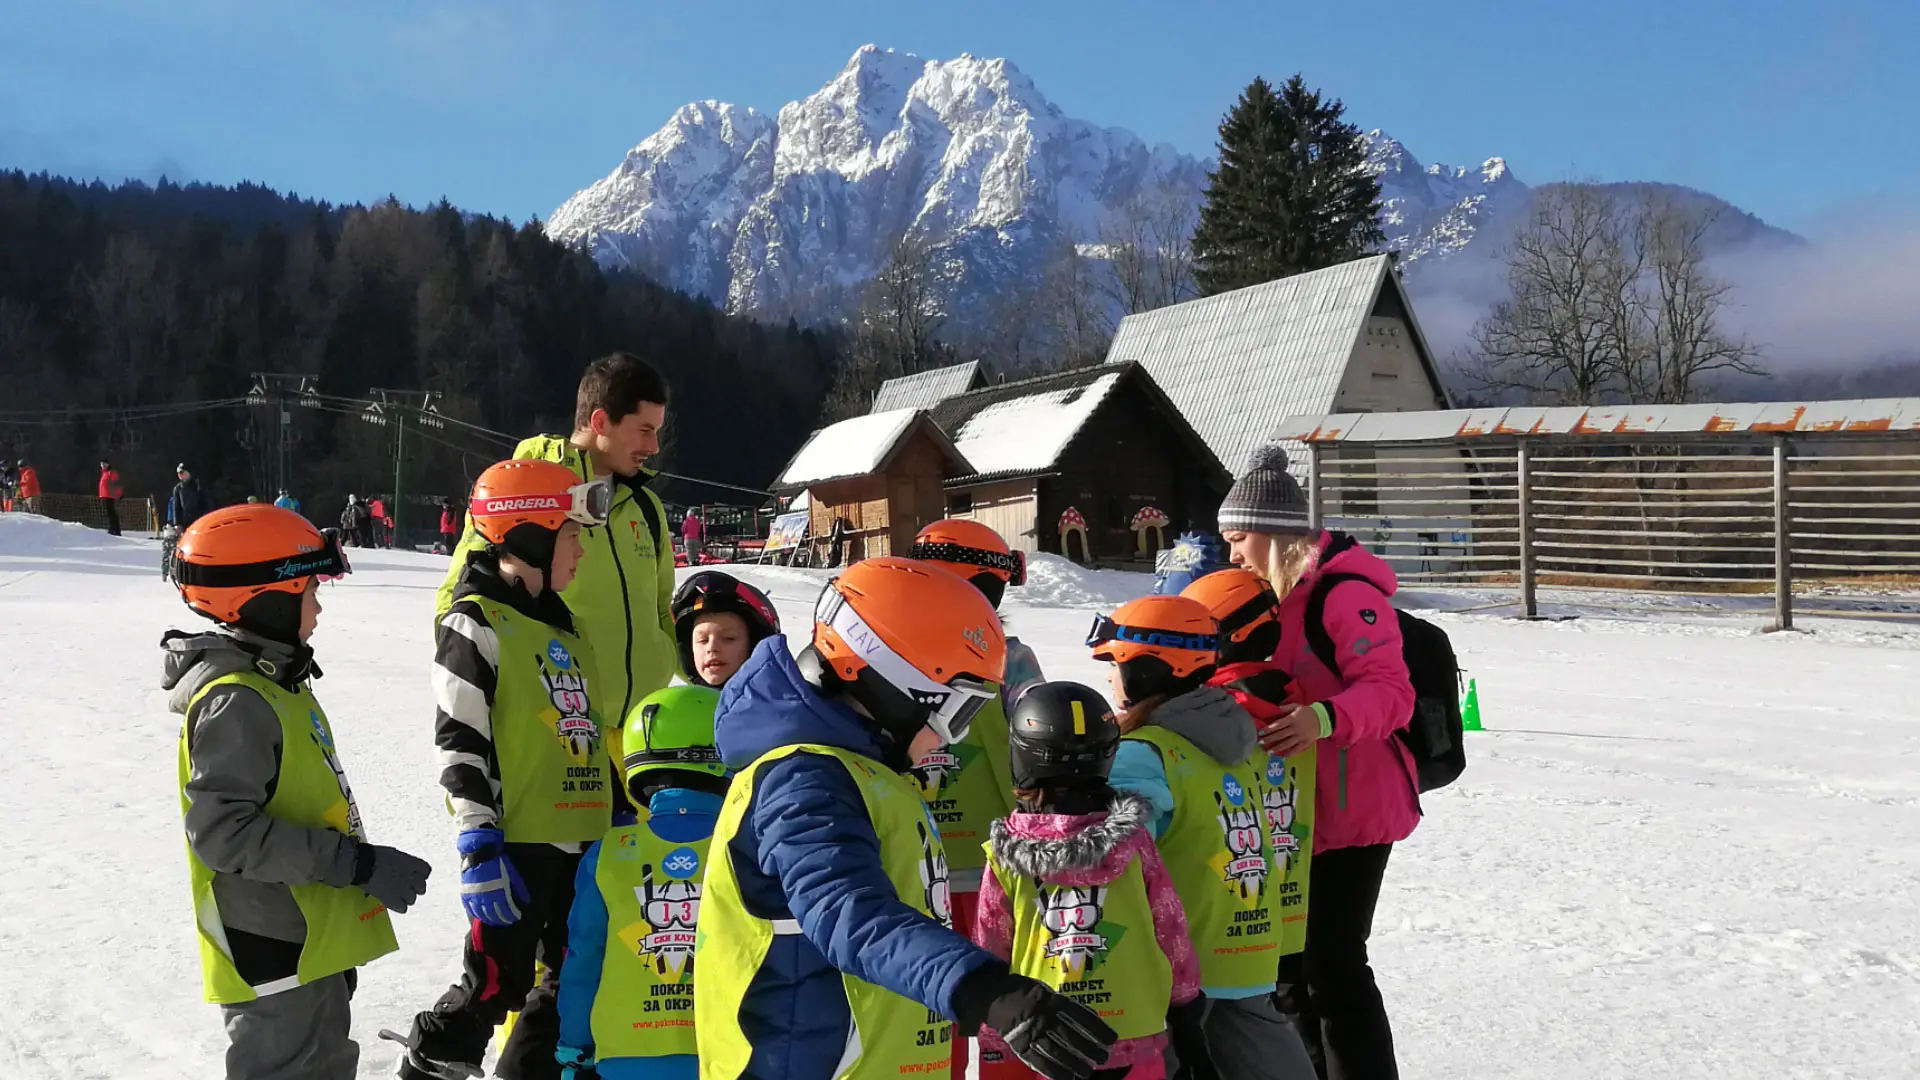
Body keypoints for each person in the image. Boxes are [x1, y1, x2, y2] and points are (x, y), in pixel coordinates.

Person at [698, 556, 1117, 1080]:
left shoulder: (864, 771)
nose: (951, 736)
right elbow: (846, 912)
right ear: (894, 686)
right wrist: (984, 988)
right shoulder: (803, 778)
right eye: (955, 709)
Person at [165, 503, 432, 1080]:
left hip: (306, 938)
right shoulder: (237, 700)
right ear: (265, 597)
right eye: (308, 590)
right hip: (272, 941)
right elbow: (223, 834)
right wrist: (356, 865)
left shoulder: (279, 685)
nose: (318, 605)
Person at [393, 460, 618, 1080]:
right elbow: (460, 736)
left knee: (573, 980)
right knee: (496, 984)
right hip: (517, 841)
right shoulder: (477, 619)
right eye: (571, 536)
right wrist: (477, 838)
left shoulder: (565, 626)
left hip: (582, 837)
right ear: (528, 536)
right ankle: (430, 1064)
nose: (581, 552)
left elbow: (584, 734)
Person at [1217, 445, 1418, 1080]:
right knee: (1287, 971)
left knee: (1332, 967)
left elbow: (1393, 693)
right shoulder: (1270, 595)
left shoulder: (1345, 594)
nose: (1231, 554)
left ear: (1275, 534)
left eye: (1239, 538)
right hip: (1292, 814)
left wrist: (1322, 718)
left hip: (1356, 812)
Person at [1093, 595, 1314, 1080]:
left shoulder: (1142, 754)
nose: (1108, 678)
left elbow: (1112, 871)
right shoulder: (1232, 735)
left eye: (1114, 663)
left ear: (1148, 670)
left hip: (1176, 971)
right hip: (1244, 955)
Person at [973, 682, 1210, 1080]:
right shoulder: (1134, 843)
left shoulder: (1004, 855)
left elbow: (992, 944)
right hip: (1132, 1030)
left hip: (1045, 1036)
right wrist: (1184, 1004)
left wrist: (993, 1035)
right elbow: (1169, 927)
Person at [438, 352, 678, 746]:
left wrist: (721, 664)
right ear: (601, 422)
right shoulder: (524, 492)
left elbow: (662, 612)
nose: (653, 447)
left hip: (643, 736)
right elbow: (462, 594)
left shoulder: (645, 507)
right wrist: (472, 695)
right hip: (560, 731)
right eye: (644, 430)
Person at [901, 519, 1045, 1078]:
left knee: (983, 1004)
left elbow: (1041, 724)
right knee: (941, 1007)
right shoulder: (896, 651)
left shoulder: (1013, 660)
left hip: (983, 868)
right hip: (929, 865)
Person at [555, 685, 729, 1080]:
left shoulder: (608, 853)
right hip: (726, 1055)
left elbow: (585, 958)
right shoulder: (748, 846)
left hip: (623, 1056)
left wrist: (574, 1049)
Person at [1182, 568, 1316, 959]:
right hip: (1288, 899)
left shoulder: (1213, 710)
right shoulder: (1295, 699)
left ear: (1230, 637)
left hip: (1220, 909)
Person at [669, 571, 781, 689]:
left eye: (729, 638)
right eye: (702, 640)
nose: (712, 648)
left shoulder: (783, 704)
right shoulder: (678, 705)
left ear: (755, 645)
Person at [169, 464, 210, 529]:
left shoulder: (197, 485)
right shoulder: (177, 488)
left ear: (188, 472)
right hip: (185, 521)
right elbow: (176, 507)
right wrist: (177, 523)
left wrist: (205, 517)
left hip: (199, 519)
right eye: (178, 473)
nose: (179, 475)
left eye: (181, 472)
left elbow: (206, 502)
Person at [98, 459, 124, 535]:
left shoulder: (111, 472)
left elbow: (116, 483)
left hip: (110, 495)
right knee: (109, 512)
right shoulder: (104, 473)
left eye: (104, 464)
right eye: (101, 464)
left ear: (108, 464)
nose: (102, 466)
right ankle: (113, 528)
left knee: (111, 512)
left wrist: (119, 494)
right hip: (105, 495)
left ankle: (114, 528)